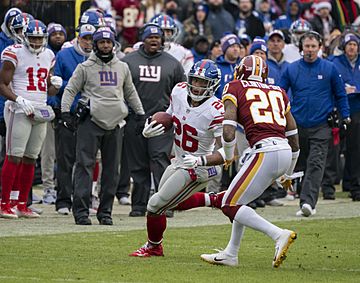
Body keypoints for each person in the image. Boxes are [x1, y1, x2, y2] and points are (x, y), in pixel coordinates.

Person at [200, 55, 299, 268]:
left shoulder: (235, 86)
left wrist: (227, 154)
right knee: (239, 200)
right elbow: (294, 136)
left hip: (265, 151)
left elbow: (228, 130)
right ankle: (231, 254)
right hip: (282, 150)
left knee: (229, 203)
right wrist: (288, 173)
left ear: (239, 72)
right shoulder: (279, 91)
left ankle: (278, 234)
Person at [129, 59, 226, 257]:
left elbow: (226, 153)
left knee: (155, 204)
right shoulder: (179, 91)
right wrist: (152, 126)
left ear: (213, 85)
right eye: (195, 80)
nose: (197, 87)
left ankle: (154, 246)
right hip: (181, 160)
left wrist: (201, 161)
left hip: (200, 166)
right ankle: (215, 199)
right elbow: (170, 116)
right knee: (168, 201)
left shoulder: (216, 110)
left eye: (203, 82)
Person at [61, 28, 145, 225]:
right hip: (90, 122)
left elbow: (130, 92)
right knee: (84, 166)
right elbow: (70, 89)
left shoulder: (122, 67)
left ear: (114, 44)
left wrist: (140, 113)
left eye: (109, 42)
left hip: (115, 123)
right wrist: (65, 112)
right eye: (101, 42)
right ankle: (81, 212)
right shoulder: (85, 67)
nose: (106, 45)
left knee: (111, 170)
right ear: (95, 45)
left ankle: (105, 212)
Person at [280, 31, 350, 217]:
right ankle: (304, 196)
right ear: (301, 48)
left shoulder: (330, 68)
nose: (309, 50)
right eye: (306, 46)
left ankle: (308, 203)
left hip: (322, 125)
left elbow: (340, 94)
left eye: (313, 46)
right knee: (301, 163)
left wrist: (346, 115)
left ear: (320, 48)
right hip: (296, 125)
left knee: (316, 163)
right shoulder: (291, 69)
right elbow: (280, 93)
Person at [121, 23, 186, 217]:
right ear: (143, 38)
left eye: (158, 37)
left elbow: (181, 91)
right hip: (135, 120)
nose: (154, 40)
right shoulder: (128, 61)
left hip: (162, 121)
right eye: (150, 37)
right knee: (138, 164)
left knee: (160, 161)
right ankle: (139, 205)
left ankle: (164, 203)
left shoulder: (172, 63)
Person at [0, 20, 62, 218]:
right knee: (14, 156)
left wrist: (56, 86)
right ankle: (4, 203)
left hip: (40, 109)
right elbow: (2, 84)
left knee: (30, 158)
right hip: (18, 109)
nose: (36, 41)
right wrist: (18, 99)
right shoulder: (14, 52)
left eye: (39, 38)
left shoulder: (49, 55)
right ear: (24, 36)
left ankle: (21, 204)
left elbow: (48, 90)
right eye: (33, 37)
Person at [53, 23, 97, 215]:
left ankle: (84, 199)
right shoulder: (63, 55)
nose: (88, 42)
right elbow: (54, 82)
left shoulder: (100, 59)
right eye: (85, 38)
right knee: (65, 159)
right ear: (78, 37)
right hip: (68, 112)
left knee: (87, 161)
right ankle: (63, 200)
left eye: (91, 39)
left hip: (92, 115)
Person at [330, 33, 360, 201]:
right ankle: (331, 183)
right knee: (335, 147)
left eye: (354, 44)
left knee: (355, 148)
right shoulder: (336, 63)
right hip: (339, 108)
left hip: (357, 109)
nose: (352, 47)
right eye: (349, 44)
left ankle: (352, 182)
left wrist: (355, 90)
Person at [41, 22, 67, 205]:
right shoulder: (44, 55)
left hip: (66, 109)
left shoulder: (67, 55)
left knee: (65, 153)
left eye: (61, 33)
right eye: (54, 33)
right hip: (48, 108)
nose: (58, 36)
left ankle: (63, 187)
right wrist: (52, 103)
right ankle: (48, 188)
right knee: (48, 152)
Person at [215, 34, 242, 99]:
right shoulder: (216, 67)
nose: (236, 49)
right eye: (232, 46)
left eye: (238, 46)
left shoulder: (243, 66)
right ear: (225, 49)